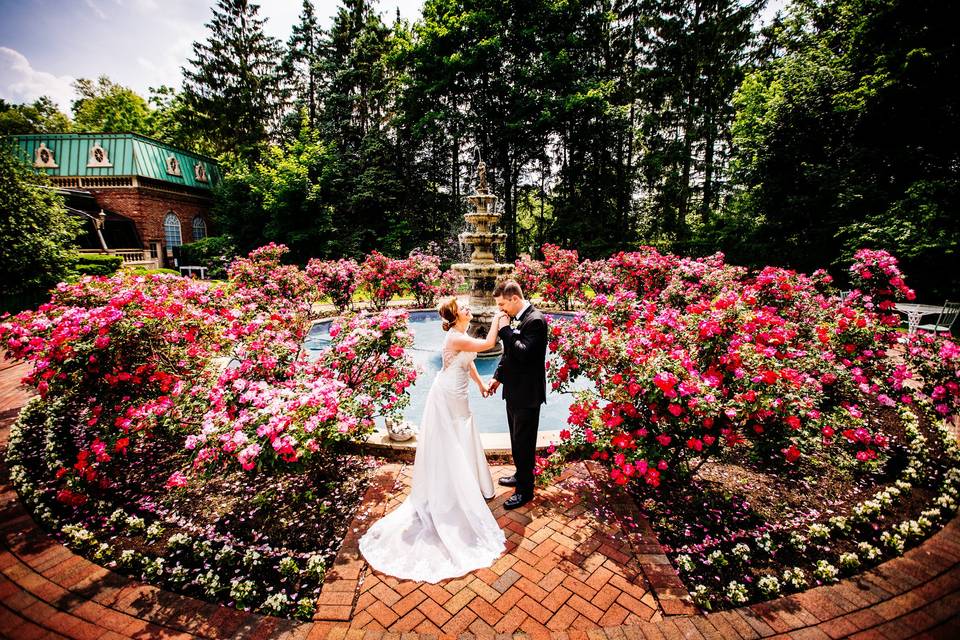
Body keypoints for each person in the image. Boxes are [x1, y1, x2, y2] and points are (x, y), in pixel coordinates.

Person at [358, 297, 509, 582]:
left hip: (460, 392)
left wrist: (479, 385)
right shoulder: (455, 337)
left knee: (461, 433)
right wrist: (497, 322)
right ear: (455, 316)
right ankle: (451, 488)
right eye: (463, 308)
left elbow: (469, 363)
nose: (468, 309)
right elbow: (488, 344)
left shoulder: (461, 336)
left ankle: (467, 482)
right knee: (451, 439)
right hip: (448, 395)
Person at [487, 280, 548, 510]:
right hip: (513, 390)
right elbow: (509, 354)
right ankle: (520, 474)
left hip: (528, 394)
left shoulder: (536, 321)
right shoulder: (517, 318)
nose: (501, 309)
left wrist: (504, 330)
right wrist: (497, 376)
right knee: (516, 439)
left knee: (525, 442)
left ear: (515, 299)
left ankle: (525, 490)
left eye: (503, 304)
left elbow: (524, 354)